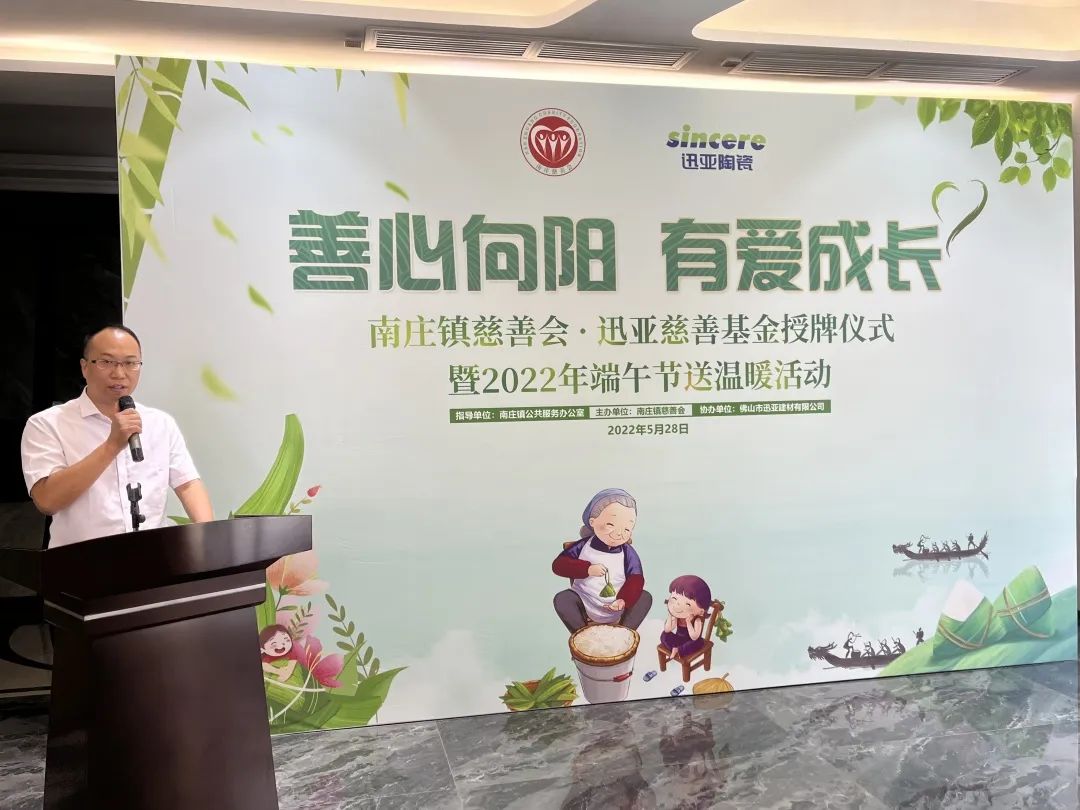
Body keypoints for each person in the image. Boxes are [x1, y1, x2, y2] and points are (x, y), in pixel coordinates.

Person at [20, 325, 213, 546]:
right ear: (85, 367)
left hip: (154, 556)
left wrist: (210, 537)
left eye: (130, 363)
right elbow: (47, 500)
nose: (119, 374)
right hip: (81, 560)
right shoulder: (47, 424)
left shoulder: (160, 423)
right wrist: (112, 445)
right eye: (106, 362)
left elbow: (187, 484)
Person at [552, 488, 652, 632]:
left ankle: (624, 632)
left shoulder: (627, 552)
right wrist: (587, 569)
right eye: (611, 525)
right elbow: (558, 565)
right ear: (592, 521)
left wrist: (623, 600)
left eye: (627, 529)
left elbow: (636, 578)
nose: (619, 533)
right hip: (585, 602)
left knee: (644, 597)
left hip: (619, 606)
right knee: (562, 599)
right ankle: (583, 633)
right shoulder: (582, 546)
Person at [660, 575, 712, 661]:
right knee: (664, 635)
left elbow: (694, 637)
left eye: (687, 604)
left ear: (701, 611)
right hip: (679, 639)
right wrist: (671, 615)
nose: (678, 605)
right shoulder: (678, 616)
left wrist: (688, 623)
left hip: (691, 641)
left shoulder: (697, 620)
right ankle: (675, 649)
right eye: (674, 599)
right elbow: (667, 629)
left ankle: (678, 650)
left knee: (697, 642)